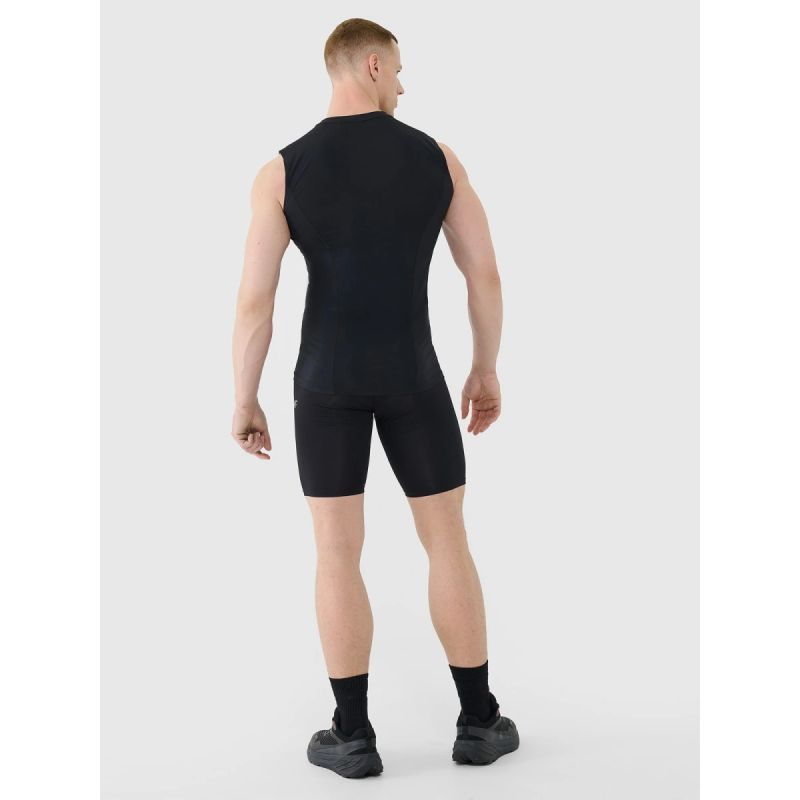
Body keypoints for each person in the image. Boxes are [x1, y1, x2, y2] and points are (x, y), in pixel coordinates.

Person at [231, 17, 519, 778]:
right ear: (371, 65)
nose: (403, 85)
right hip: (413, 376)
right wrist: (485, 368)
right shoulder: (436, 158)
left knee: (335, 551)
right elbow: (484, 275)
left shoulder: (282, 171)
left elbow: (255, 302)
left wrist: (245, 397)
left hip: (325, 383)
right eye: (398, 70)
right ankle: (480, 723)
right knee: (447, 539)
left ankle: (353, 736)